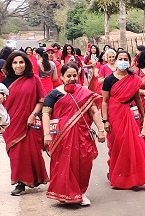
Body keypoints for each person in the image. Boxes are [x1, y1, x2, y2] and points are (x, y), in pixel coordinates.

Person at [42, 63, 106, 206]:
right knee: (63, 164)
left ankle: (80, 192)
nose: (72, 78)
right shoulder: (54, 94)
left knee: (84, 164)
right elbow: (46, 114)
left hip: (82, 136)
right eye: (68, 76)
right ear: (61, 77)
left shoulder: (85, 92)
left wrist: (101, 130)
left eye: (74, 75)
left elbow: (94, 111)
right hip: (61, 136)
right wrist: (46, 134)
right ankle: (64, 192)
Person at [102, 51, 145, 189]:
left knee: (130, 145)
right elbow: (104, 101)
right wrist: (105, 120)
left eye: (125, 59)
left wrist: (143, 116)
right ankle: (118, 176)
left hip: (127, 115)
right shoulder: (109, 80)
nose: (122, 61)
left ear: (129, 62)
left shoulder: (134, 79)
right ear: (116, 60)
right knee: (117, 145)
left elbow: (137, 99)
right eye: (120, 58)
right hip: (113, 114)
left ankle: (130, 177)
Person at [2, 51, 47, 196]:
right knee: (15, 154)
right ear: (10, 65)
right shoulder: (5, 83)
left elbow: (41, 100)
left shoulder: (33, 79)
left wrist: (33, 114)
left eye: (21, 62)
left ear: (26, 64)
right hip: (11, 124)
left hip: (29, 121)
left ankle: (28, 181)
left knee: (31, 152)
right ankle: (19, 181)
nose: (18, 65)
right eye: (15, 63)